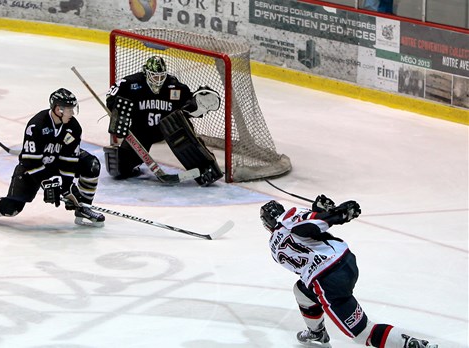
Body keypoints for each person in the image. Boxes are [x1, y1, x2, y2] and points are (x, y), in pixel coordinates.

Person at [260, 196, 438, 348]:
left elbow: (303, 229)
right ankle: (317, 333)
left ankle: (412, 345)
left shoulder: (273, 248)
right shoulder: (291, 216)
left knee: (362, 333)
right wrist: (333, 214)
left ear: (266, 225)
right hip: (346, 262)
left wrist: (330, 214)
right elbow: (308, 226)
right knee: (301, 291)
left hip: (328, 280)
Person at [0, 88, 105, 227]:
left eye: (73, 109)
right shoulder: (37, 125)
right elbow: (29, 161)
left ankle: (83, 208)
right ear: (57, 109)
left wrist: (66, 189)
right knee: (11, 208)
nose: (72, 113)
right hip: (32, 169)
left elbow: (69, 159)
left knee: (91, 164)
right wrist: (47, 183)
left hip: (56, 164)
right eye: (68, 110)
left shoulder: (74, 127)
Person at [104, 55, 223, 186]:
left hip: (169, 128)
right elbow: (111, 96)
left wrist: (198, 105)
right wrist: (117, 110)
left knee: (186, 136)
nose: (159, 80)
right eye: (155, 76)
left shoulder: (174, 86)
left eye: (162, 76)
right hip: (141, 130)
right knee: (122, 169)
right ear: (146, 73)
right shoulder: (131, 83)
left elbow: (189, 106)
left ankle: (205, 167)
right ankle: (128, 165)